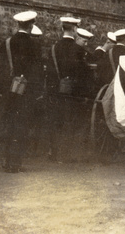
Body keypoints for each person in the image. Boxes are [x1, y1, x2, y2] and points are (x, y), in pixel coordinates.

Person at [0, 11, 43, 173]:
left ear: (18, 25)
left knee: (9, 124)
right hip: (26, 94)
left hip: (9, 91)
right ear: (31, 25)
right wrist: (36, 92)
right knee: (21, 126)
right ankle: (15, 162)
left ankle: (6, 161)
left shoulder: (6, 43)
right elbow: (37, 72)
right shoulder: (34, 45)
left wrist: (2, 89)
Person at [48, 16, 89, 161]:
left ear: (62, 29)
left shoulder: (54, 48)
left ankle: (54, 154)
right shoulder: (78, 50)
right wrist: (84, 94)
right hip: (74, 93)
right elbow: (83, 74)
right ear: (75, 30)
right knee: (71, 121)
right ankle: (66, 155)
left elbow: (50, 73)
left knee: (57, 121)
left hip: (57, 91)